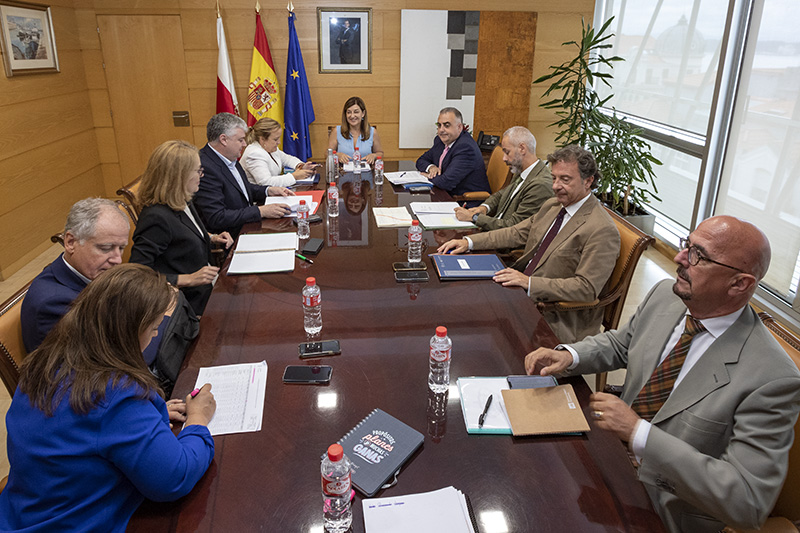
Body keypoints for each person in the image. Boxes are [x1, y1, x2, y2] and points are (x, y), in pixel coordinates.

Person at [524, 216, 800, 533]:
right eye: (687, 245)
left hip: (666, 511)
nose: (680, 258)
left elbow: (747, 501)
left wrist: (639, 433)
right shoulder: (666, 296)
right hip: (609, 465)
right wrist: (569, 355)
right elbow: (622, 343)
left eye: (699, 255)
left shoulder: (773, 378)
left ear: (739, 284)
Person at [0, 264, 217, 532]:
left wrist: (151, 415)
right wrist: (198, 418)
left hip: (24, 511)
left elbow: (87, 431)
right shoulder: (115, 395)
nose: (155, 335)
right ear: (130, 333)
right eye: (153, 329)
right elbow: (174, 478)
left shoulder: (44, 362)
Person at [437, 145, 620, 343]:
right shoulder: (553, 205)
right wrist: (469, 241)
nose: (556, 186)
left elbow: (586, 288)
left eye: (565, 179)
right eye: (554, 178)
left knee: (471, 327)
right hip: (520, 290)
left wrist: (529, 283)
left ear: (588, 181)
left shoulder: (601, 229)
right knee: (451, 304)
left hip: (552, 312)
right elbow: (516, 233)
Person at [130, 140, 233, 316]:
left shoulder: (183, 198)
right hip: (188, 303)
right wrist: (187, 279)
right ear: (179, 176)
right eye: (198, 171)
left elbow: (183, 234)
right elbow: (137, 274)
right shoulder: (156, 218)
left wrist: (210, 237)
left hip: (208, 286)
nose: (202, 176)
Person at [21, 197, 129, 353]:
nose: (118, 259)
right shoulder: (53, 304)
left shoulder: (92, 274)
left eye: (121, 248)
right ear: (71, 242)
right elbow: (102, 360)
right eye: (106, 248)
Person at [193, 112, 295, 238]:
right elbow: (217, 217)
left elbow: (242, 189)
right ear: (223, 139)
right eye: (240, 140)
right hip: (230, 237)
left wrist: (269, 190)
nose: (245, 144)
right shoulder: (205, 167)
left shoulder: (229, 157)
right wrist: (260, 211)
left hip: (247, 226)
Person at [454, 126, 553, 231]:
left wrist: (474, 218)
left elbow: (513, 228)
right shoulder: (523, 171)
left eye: (507, 152)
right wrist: (484, 208)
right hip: (493, 231)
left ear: (522, 149)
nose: (504, 158)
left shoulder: (540, 185)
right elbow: (501, 194)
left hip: (503, 242)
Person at [415, 107, 491, 200]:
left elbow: (446, 183)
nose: (441, 130)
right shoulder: (440, 141)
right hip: (442, 196)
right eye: (439, 125)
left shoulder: (465, 148)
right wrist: (431, 167)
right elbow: (421, 160)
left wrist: (427, 177)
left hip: (464, 202)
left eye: (446, 125)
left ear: (459, 127)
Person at [241, 117, 318, 187]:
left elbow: (286, 159)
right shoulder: (254, 154)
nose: (279, 142)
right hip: (259, 200)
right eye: (275, 139)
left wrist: (300, 166)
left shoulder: (269, 147)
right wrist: (294, 176)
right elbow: (265, 182)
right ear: (262, 139)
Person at [328, 96, 384, 164]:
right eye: (349, 112)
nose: (352, 116)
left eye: (356, 112)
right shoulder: (336, 131)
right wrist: (337, 155)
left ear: (363, 114)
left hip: (366, 172)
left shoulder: (372, 132)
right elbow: (327, 154)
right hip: (342, 172)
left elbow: (380, 153)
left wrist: (374, 155)